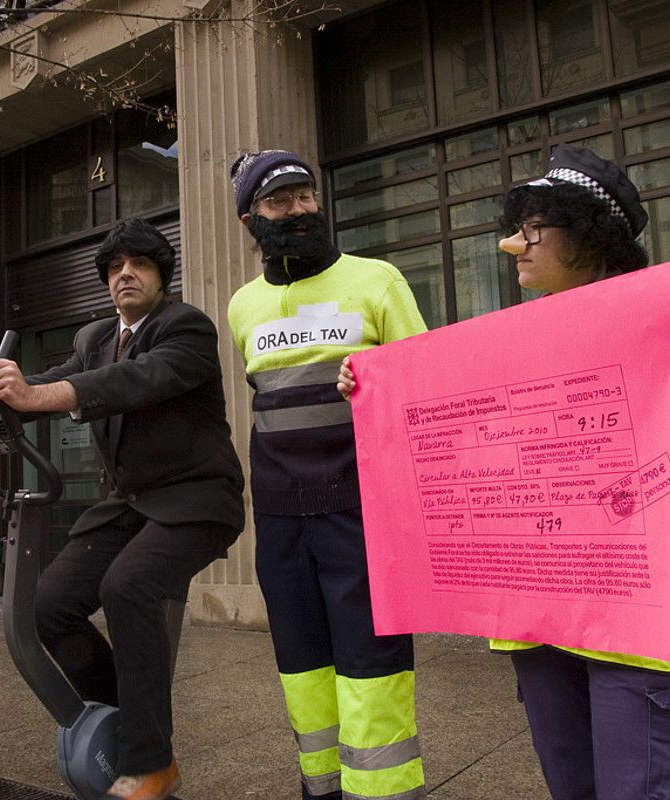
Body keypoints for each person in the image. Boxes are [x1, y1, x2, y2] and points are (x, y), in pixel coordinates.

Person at [341, 144, 670, 800]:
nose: (513, 245)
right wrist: (375, 390)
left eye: (534, 229)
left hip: (635, 628)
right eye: (514, 229)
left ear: (592, 233)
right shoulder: (507, 344)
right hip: (540, 621)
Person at [0, 218, 244, 800]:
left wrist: (38, 393)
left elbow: (134, 381)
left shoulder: (186, 327)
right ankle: (132, 723)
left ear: (160, 275)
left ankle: (151, 763)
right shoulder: (94, 337)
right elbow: (49, 384)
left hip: (198, 498)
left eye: (140, 265)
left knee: (129, 586)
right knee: (47, 606)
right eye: (115, 267)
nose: (125, 274)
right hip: (131, 503)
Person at [226, 150, 429, 800]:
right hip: (282, 520)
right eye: (280, 202)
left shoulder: (378, 281)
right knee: (303, 670)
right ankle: (323, 789)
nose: (298, 210)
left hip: (362, 512)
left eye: (305, 195)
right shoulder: (243, 307)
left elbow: (423, 385)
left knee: (372, 668)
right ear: (248, 218)